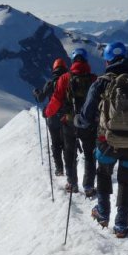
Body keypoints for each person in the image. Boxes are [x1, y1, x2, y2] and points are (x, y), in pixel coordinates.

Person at [75, 41, 128, 238]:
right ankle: (121, 225)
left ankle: (103, 212)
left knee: (103, 175)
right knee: (125, 182)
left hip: (106, 140)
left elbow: (87, 116)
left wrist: (78, 122)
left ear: (107, 61)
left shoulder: (101, 82)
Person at [44, 48, 97, 195]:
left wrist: (47, 113)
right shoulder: (94, 79)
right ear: (86, 61)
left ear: (72, 61)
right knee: (89, 155)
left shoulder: (64, 78)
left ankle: (72, 183)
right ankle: (88, 186)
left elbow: (56, 100)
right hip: (88, 124)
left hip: (69, 122)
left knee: (69, 153)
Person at [33, 58, 68, 176]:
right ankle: (69, 169)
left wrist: (36, 92)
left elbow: (40, 98)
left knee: (55, 143)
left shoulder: (50, 83)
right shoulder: (69, 81)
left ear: (54, 69)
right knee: (66, 143)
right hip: (66, 117)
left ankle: (59, 169)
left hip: (53, 117)